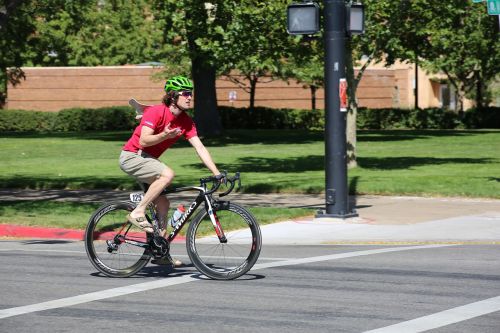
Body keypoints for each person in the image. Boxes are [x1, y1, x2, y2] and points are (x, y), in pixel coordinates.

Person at [119, 75, 222, 266]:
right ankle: (137, 212)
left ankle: (160, 251)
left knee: (164, 203)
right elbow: (143, 141)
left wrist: (217, 173)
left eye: (191, 94)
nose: (190, 97)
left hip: (147, 160)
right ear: (173, 96)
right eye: (186, 94)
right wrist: (164, 135)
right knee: (167, 174)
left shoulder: (186, 122)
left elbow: (199, 147)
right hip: (132, 156)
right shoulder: (157, 112)